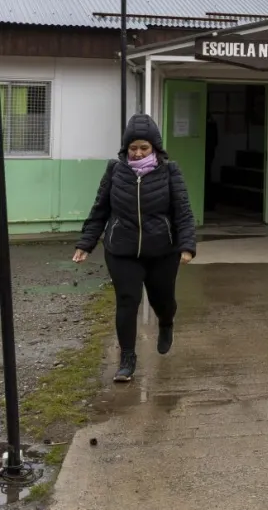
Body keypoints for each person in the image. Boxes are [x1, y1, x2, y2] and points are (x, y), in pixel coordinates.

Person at [72, 114, 197, 383]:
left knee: (163, 300)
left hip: (162, 251)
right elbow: (100, 210)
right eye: (133, 148)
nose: (138, 153)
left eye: (144, 147)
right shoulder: (115, 171)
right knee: (127, 302)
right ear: (125, 148)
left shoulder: (170, 171)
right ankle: (127, 358)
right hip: (122, 250)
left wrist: (187, 245)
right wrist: (86, 242)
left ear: (154, 148)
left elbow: (183, 213)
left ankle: (166, 322)